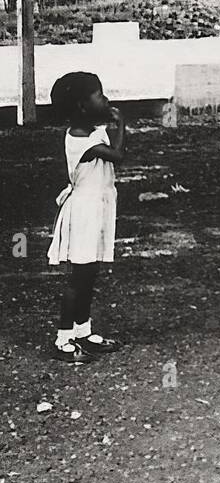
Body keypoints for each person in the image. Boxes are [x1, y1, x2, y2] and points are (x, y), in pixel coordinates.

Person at [47, 72, 126, 361]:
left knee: (89, 275)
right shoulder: (80, 139)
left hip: (98, 208)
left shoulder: (93, 131)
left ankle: (83, 331)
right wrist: (121, 124)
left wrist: (110, 125)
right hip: (84, 212)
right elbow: (118, 156)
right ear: (82, 106)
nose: (105, 100)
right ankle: (62, 339)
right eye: (99, 95)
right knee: (77, 279)